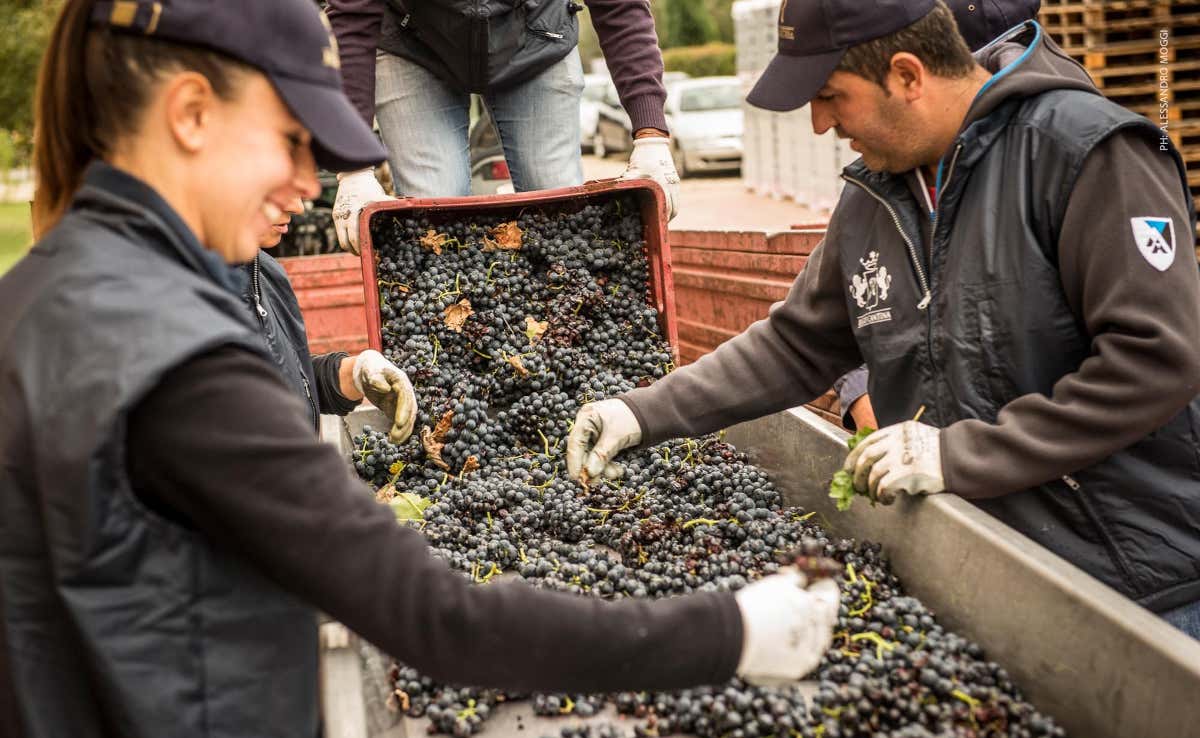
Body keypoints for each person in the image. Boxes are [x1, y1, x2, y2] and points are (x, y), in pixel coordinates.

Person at [0, 2, 839, 738]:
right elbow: (440, 619)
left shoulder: (47, 292)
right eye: (292, 141)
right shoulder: (175, 355)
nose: (307, 184)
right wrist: (732, 632)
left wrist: (336, 377)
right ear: (190, 114)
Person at [566, 0, 1200, 640]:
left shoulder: (1085, 155)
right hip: (980, 576)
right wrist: (642, 412)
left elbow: (1156, 361)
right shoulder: (874, 195)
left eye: (831, 95)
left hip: (1139, 592)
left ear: (906, 75)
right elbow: (793, 346)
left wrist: (958, 456)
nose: (818, 124)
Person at [831, 0, 1041, 432]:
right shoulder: (880, 175)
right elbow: (824, 322)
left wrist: (954, 456)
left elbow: (1142, 368)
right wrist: (857, 387)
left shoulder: (1066, 160)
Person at [326, 0, 682, 254]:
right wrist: (352, 165)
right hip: (413, 40)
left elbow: (620, 7)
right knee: (433, 222)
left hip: (538, 35)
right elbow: (352, 16)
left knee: (560, 218)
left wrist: (650, 134)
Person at [246, 195, 417, 440]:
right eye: (275, 186)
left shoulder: (264, 272)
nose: (296, 206)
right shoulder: (188, 299)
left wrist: (354, 373)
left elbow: (285, 379)